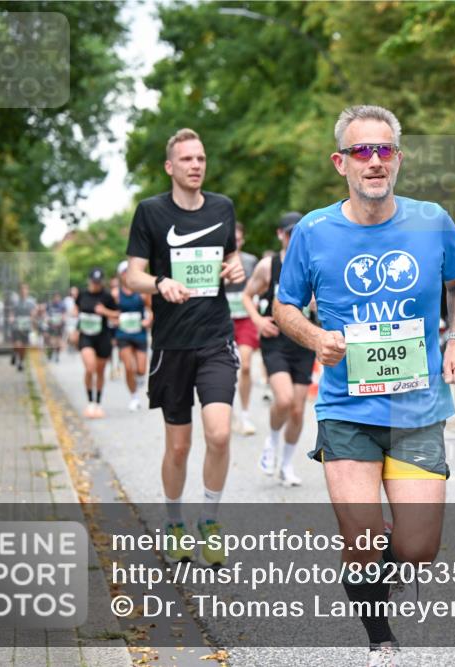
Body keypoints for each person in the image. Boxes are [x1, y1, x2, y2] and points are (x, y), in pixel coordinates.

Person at [274, 105, 455, 664]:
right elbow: (285, 305)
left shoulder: (432, 219)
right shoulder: (314, 231)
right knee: (361, 544)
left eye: (384, 150)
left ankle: (388, 548)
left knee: (417, 550)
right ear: (341, 162)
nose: (374, 161)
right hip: (346, 409)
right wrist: (315, 338)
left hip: (418, 410)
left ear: (398, 159)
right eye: (362, 151)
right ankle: (380, 640)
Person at [123, 128, 245, 567]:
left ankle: (208, 519)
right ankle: (174, 521)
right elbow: (131, 276)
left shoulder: (222, 208)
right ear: (170, 167)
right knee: (178, 447)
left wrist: (232, 269)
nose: (196, 165)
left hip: (215, 337)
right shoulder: (151, 213)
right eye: (187, 159)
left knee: (219, 432)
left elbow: (229, 258)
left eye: (201, 158)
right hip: (172, 345)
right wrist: (160, 283)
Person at [242, 211, 315, 487]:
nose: (293, 237)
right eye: (288, 233)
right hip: (275, 341)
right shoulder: (267, 266)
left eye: (298, 233)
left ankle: (286, 464)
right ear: (280, 235)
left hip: (304, 342)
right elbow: (247, 296)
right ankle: (271, 442)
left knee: (297, 410)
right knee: (283, 400)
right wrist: (258, 320)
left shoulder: (314, 263)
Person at [226, 222, 260, 435]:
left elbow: (259, 286)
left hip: (246, 317)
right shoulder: (220, 260)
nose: (235, 243)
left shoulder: (251, 261)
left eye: (238, 239)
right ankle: (226, 412)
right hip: (223, 319)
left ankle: (245, 415)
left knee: (245, 366)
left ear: (243, 240)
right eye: (232, 239)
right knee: (227, 369)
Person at [77, 268, 118, 418]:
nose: (96, 285)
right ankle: (90, 402)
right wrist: (74, 329)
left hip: (102, 337)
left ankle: (98, 403)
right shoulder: (82, 294)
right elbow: (76, 312)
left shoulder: (107, 296)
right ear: (89, 281)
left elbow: (117, 315)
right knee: (90, 368)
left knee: (100, 372)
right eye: (94, 282)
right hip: (86, 336)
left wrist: (105, 311)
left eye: (98, 282)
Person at [115, 260, 152, 412]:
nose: (126, 274)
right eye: (124, 272)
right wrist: (114, 318)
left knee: (141, 369)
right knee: (129, 367)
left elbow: (151, 310)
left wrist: (148, 320)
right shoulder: (116, 294)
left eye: (128, 271)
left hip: (139, 333)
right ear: (120, 276)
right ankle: (134, 397)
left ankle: (138, 379)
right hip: (123, 334)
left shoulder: (142, 293)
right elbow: (111, 312)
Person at [9, 283, 37, 372]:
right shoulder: (15, 301)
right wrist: (11, 318)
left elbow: (33, 314)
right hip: (17, 325)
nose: (24, 291)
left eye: (25, 289)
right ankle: (15, 352)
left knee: (24, 346)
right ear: (19, 291)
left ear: (28, 291)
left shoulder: (31, 301)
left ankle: (21, 361)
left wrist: (33, 325)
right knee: (17, 344)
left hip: (26, 326)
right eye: (22, 289)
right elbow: (12, 313)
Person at [44, 292, 66, 362]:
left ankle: (57, 355)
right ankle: (50, 352)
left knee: (58, 341)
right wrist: (47, 319)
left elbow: (64, 314)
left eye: (58, 297)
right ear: (53, 298)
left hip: (59, 326)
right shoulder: (49, 305)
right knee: (50, 341)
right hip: (51, 326)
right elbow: (46, 314)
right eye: (55, 297)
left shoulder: (62, 305)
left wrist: (62, 320)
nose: (56, 299)